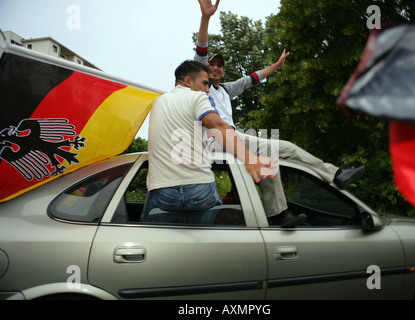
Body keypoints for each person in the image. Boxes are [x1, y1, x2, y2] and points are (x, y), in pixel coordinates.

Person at [194, 0, 365, 223]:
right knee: (272, 151)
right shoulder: (200, 87)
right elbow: (201, 51)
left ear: (224, 71)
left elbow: (253, 78)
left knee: (280, 151)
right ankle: (282, 210)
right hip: (214, 139)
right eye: (211, 64)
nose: (215, 67)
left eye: (219, 65)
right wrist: (206, 18)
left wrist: (276, 66)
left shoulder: (226, 89)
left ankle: (290, 205)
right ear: (204, 69)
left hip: (233, 139)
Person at [141, 60, 304, 227]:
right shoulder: (198, 97)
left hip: (162, 191)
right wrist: (249, 159)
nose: (207, 89)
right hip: (199, 190)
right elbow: (218, 127)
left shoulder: (157, 102)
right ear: (188, 81)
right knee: (209, 240)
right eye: (205, 83)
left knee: (149, 233)